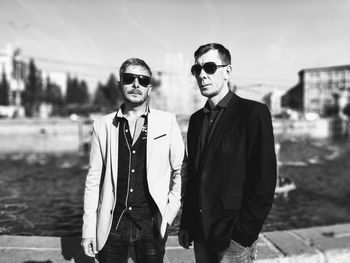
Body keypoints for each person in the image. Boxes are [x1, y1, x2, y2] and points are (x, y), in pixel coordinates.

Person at [178, 43, 277, 263]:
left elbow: (265, 180)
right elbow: (194, 178)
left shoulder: (253, 113)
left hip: (233, 240)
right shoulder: (195, 120)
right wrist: (187, 224)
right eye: (197, 69)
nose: (202, 75)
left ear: (228, 72)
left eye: (210, 67)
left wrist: (242, 235)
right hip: (201, 234)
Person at [81, 58, 186, 263]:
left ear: (149, 88)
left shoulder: (167, 121)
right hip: (111, 226)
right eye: (130, 79)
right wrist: (88, 230)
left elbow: (181, 169)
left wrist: (170, 212)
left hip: (151, 225)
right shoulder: (102, 126)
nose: (136, 84)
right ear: (120, 84)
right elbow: (93, 181)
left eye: (143, 80)